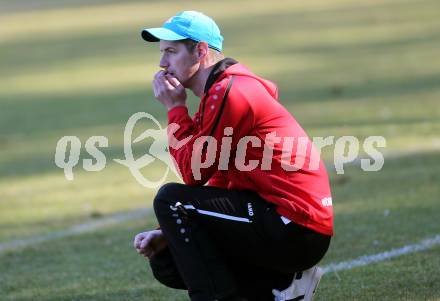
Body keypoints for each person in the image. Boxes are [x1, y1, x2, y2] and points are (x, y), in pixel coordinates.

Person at [133, 11, 333, 301]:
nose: (162, 64)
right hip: (280, 222)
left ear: (200, 51)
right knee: (168, 260)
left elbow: (193, 171)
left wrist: (175, 108)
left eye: (171, 52)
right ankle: (281, 288)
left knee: (170, 200)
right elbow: (217, 178)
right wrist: (167, 229)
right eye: (162, 53)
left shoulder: (231, 91)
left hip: (296, 228)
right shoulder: (218, 93)